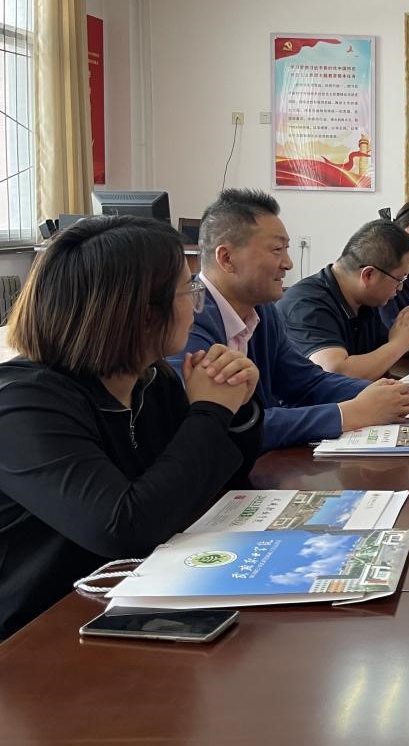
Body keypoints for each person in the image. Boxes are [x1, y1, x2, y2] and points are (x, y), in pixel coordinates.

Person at [0, 216, 260, 640]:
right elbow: (124, 528)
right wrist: (210, 411)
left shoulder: (152, 380)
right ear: (141, 313)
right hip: (36, 635)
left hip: (131, 608)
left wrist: (239, 406)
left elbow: (218, 486)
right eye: (188, 290)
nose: (197, 305)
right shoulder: (21, 405)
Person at [184, 189, 409, 450]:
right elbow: (229, 427)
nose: (288, 263)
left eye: (287, 249)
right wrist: (347, 414)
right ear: (227, 258)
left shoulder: (262, 311)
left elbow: (305, 382)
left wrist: (380, 393)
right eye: (276, 250)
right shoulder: (187, 321)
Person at [278, 219, 409, 380]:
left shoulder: (367, 301)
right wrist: (398, 344)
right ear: (368, 275)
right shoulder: (306, 305)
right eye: (399, 279)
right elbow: (335, 372)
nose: (400, 288)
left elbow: (381, 356)